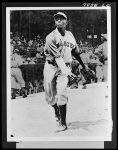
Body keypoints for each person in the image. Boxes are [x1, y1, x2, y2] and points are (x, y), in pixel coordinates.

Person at [43, 12, 88, 132]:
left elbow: (75, 52)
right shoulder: (50, 37)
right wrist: (69, 73)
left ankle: (63, 123)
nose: (58, 20)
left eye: (61, 18)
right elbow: (57, 58)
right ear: (54, 22)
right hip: (51, 67)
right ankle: (56, 109)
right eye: (56, 19)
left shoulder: (70, 35)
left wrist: (83, 65)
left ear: (66, 22)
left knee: (62, 93)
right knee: (50, 97)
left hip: (65, 67)